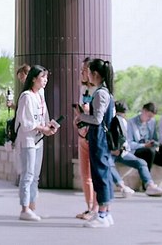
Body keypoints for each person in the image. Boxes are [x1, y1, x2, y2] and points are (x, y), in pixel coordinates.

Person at [76, 58, 116, 228]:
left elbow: (97, 119)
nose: (87, 75)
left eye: (89, 72)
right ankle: (105, 213)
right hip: (101, 138)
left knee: (99, 175)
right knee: (103, 174)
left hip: (98, 138)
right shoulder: (106, 92)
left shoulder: (100, 93)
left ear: (96, 74)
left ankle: (102, 214)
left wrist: (81, 116)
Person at [15, 65, 58, 223]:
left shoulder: (40, 94)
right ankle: (24, 209)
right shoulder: (26, 96)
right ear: (33, 78)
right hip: (28, 140)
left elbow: (43, 116)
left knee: (35, 176)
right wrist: (43, 128)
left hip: (38, 140)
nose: (45, 80)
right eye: (42, 77)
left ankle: (32, 207)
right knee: (28, 175)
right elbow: (26, 123)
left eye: (46, 77)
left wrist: (49, 126)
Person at [108, 101, 162, 197]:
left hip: (122, 152)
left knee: (141, 163)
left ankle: (150, 185)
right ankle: (122, 186)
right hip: (109, 152)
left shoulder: (124, 122)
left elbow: (125, 141)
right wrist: (111, 150)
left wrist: (121, 149)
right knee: (108, 163)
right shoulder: (107, 122)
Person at [74, 66, 96, 219]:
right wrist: (79, 116)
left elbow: (99, 116)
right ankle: (89, 207)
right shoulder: (83, 90)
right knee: (85, 174)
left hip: (94, 135)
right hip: (83, 133)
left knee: (95, 174)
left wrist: (87, 111)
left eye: (84, 70)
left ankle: (96, 209)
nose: (81, 72)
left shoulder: (99, 92)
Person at [127, 102, 159, 171]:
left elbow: (155, 139)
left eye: (152, 117)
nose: (150, 119)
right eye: (149, 116)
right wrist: (144, 145)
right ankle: (147, 175)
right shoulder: (131, 122)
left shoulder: (152, 122)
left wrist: (153, 143)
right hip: (137, 149)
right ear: (143, 110)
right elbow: (129, 143)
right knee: (150, 152)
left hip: (149, 148)